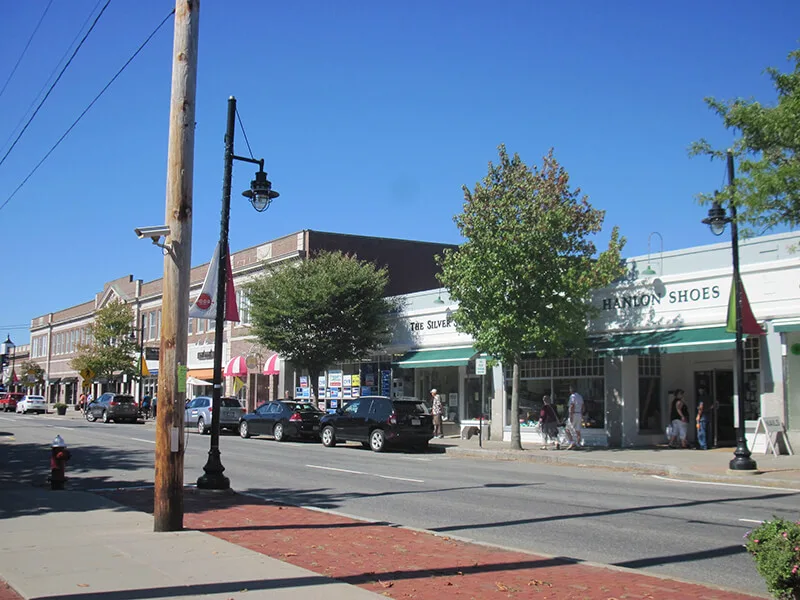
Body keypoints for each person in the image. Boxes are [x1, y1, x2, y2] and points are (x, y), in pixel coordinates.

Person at [567, 385, 584, 449]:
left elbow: (572, 405)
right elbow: (582, 406)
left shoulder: (572, 396)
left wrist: (571, 415)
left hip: (573, 414)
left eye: (570, 389)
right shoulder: (580, 396)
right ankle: (578, 443)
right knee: (578, 430)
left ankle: (572, 442)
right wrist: (581, 414)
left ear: (571, 390)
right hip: (579, 414)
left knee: (567, 429)